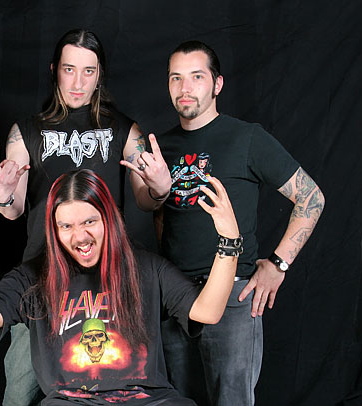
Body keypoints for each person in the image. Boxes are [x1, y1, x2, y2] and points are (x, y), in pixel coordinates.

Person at [0, 169, 243, 405]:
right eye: (66, 226)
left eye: (89, 222)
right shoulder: (36, 275)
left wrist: (229, 243)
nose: (80, 237)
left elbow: (207, 312)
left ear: (108, 219)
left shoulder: (147, 267)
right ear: (54, 229)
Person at [0, 28, 170, 405]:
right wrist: (2, 195)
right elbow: (13, 209)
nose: (78, 82)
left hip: (107, 287)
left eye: (88, 71)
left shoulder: (123, 129)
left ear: (100, 74)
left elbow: (146, 200)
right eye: (69, 69)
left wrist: (159, 188)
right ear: (54, 69)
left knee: (111, 393)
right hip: (42, 281)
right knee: (19, 392)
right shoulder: (26, 132)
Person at [154, 40, 325, 405]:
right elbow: (160, 213)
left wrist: (278, 265)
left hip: (233, 298)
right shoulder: (161, 147)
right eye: (176, 78)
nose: (185, 88)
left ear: (217, 84)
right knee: (175, 400)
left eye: (197, 77)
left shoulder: (247, 138)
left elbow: (311, 198)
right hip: (176, 298)